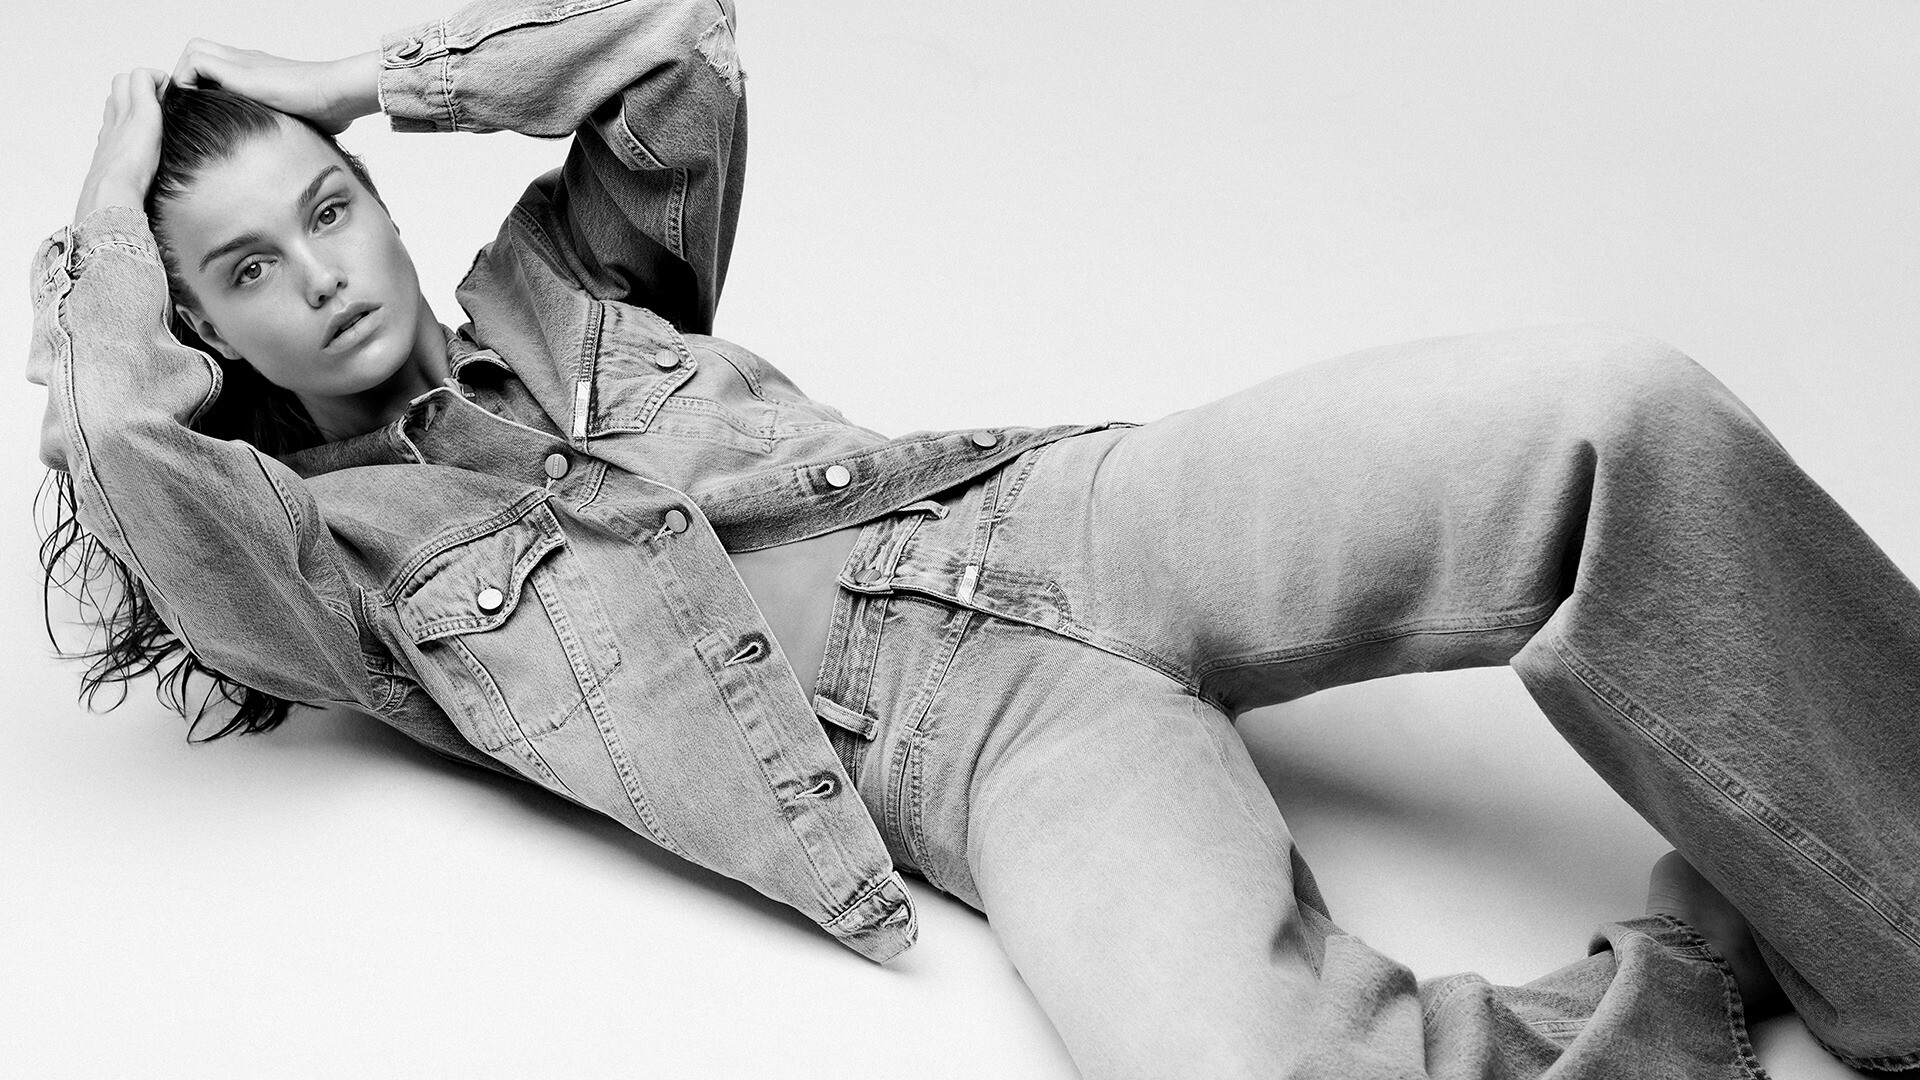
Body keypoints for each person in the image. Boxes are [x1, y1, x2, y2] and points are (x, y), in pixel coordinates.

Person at [29, 1, 1917, 1076]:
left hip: (1072, 519)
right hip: (981, 754)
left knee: (1606, 409)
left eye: (329, 206)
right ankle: (1689, 972)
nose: (318, 273)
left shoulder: (564, 285)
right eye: (243, 272)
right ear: (206, 332)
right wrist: (106, 221)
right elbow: (125, 444)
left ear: (377, 199)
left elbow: (677, 41)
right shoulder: (331, 570)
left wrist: (371, 83)